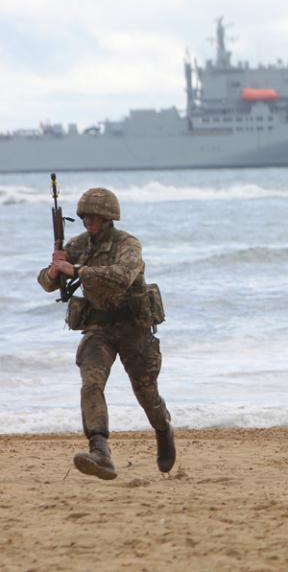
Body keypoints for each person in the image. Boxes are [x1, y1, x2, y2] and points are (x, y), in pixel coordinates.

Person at [37, 188, 175, 480]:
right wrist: (53, 271)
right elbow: (47, 282)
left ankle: (163, 430)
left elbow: (123, 275)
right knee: (91, 383)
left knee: (146, 394)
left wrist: (76, 270)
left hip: (133, 329)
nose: (90, 221)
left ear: (109, 218)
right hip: (98, 329)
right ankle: (100, 450)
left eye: (96, 217)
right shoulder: (79, 245)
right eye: (86, 216)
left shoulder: (127, 244)